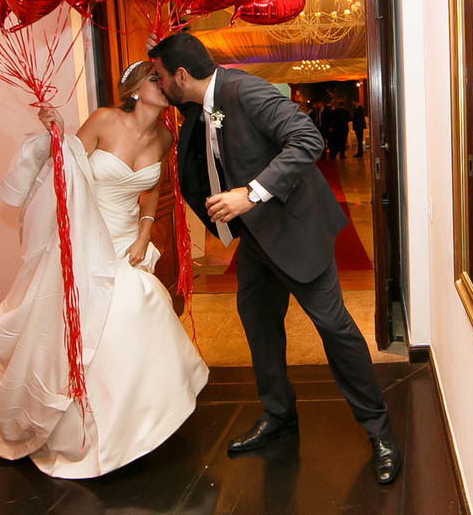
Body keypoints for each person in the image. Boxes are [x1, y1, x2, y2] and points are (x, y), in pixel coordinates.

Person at [147, 33, 401, 484]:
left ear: (181, 75)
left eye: (161, 76)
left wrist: (251, 193)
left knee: (334, 329)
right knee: (259, 328)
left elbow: (306, 139)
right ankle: (279, 414)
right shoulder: (192, 109)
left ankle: (380, 431)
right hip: (256, 243)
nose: (159, 83)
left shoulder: (245, 90)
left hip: (297, 231)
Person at [0, 61, 209, 478]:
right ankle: (86, 430)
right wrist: (57, 133)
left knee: (137, 311)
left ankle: (137, 422)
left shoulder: (163, 137)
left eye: (164, 79)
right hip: (86, 237)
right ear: (135, 89)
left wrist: (144, 235)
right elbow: (64, 171)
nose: (163, 84)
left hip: (126, 240)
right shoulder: (105, 120)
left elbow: (152, 189)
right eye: (154, 79)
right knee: (124, 310)